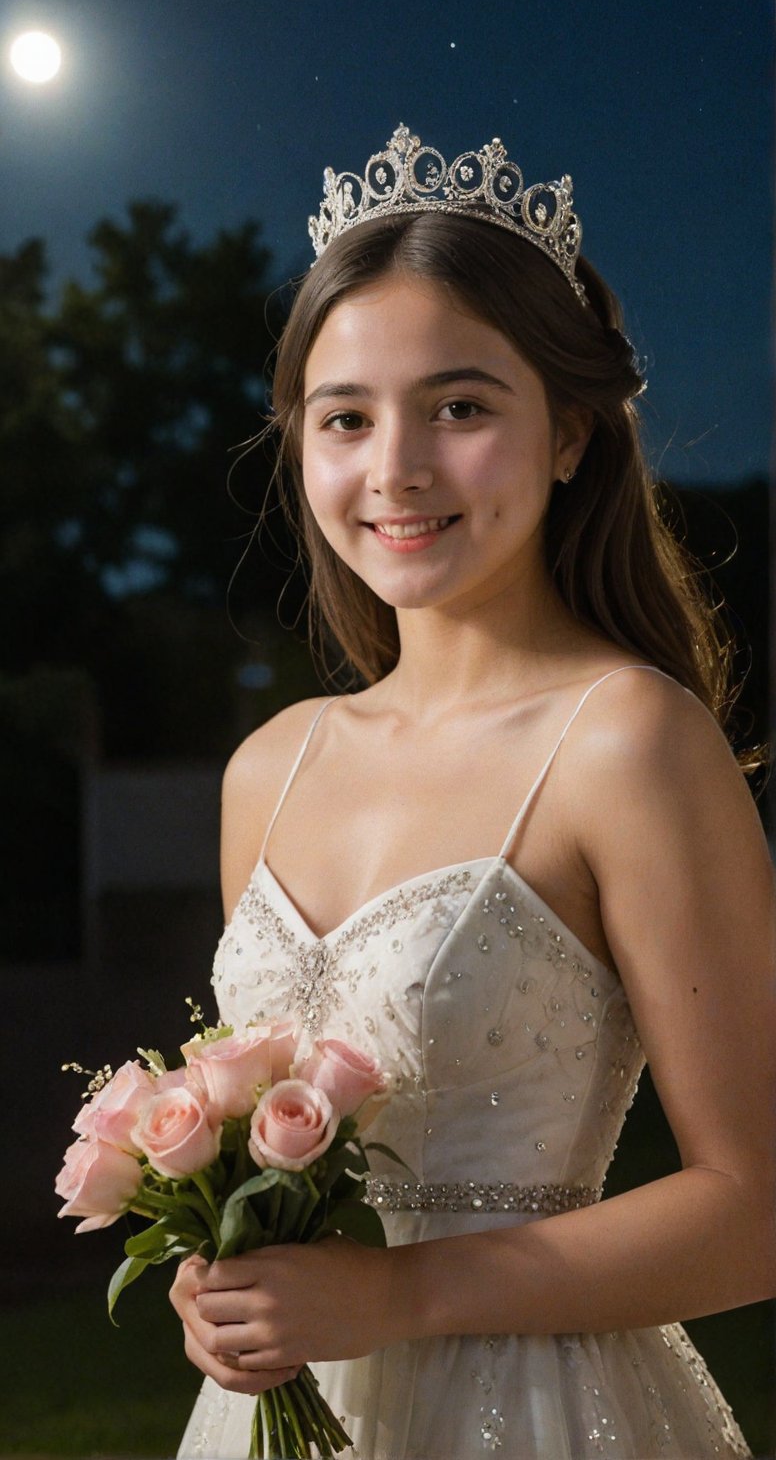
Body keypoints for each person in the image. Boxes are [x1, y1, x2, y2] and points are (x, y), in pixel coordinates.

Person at [171, 126, 774, 1459]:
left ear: (568, 433)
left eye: (459, 407)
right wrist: (218, 1273)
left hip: (545, 1414)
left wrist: (398, 1292)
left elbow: (754, 1205)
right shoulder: (270, 769)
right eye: (345, 418)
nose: (395, 470)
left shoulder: (625, 741)